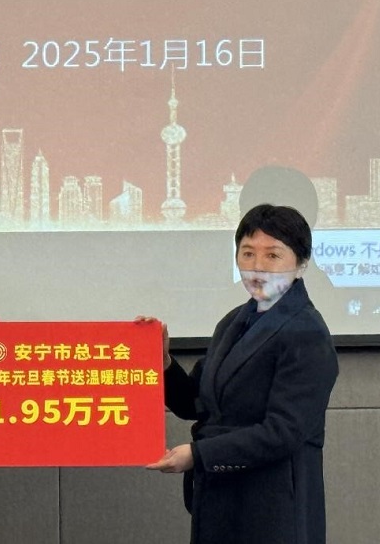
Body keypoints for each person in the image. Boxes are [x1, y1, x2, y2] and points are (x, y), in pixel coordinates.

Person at [140, 203, 339, 544]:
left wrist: (199, 455)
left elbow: (283, 432)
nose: (257, 266)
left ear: (302, 263)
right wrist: (163, 362)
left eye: (272, 255)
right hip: (220, 501)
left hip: (272, 507)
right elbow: (195, 402)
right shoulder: (233, 322)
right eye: (247, 253)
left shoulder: (307, 333)